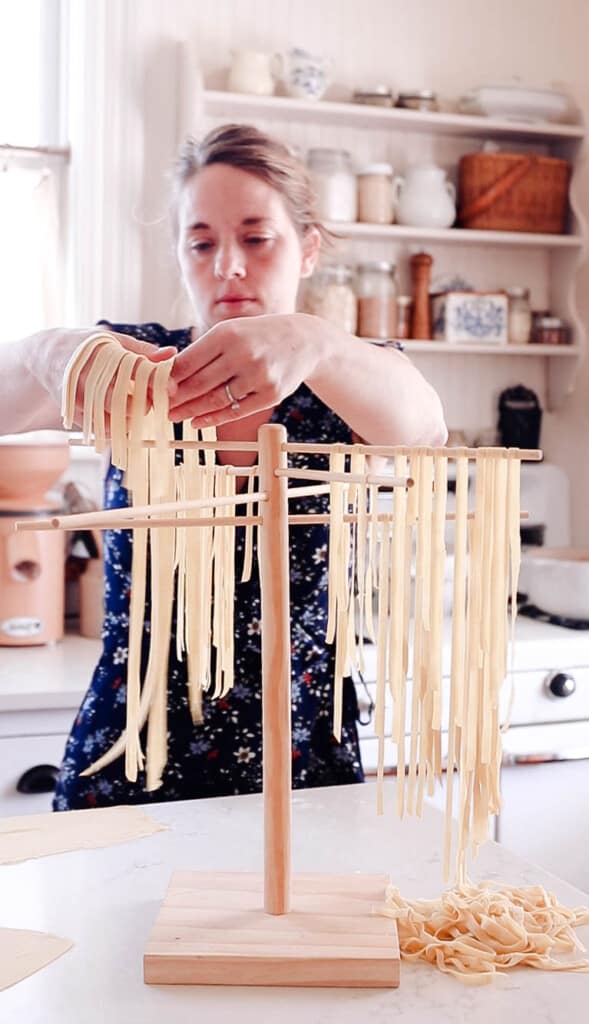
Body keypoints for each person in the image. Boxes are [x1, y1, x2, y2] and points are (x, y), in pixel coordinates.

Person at [0, 124, 447, 810]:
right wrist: (44, 350)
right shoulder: (137, 369)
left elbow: (424, 430)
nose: (227, 266)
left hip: (300, 753)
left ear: (308, 249)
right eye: (201, 242)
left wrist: (316, 342)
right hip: (131, 749)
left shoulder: (343, 379)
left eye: (256, 237)